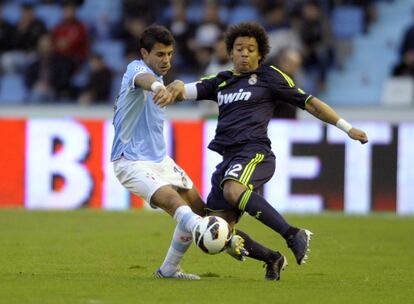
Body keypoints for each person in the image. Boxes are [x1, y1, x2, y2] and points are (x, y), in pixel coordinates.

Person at [163, 22, 368, 268]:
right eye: (239, 48)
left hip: (254, 152)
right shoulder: (221, 81)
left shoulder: (269, 77)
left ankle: (293, 234)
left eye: (251, 49)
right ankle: (272, 259)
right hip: (228, 159)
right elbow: (184, 91)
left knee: (232, 190)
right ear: (230, 53)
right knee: (215, 231)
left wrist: (347, 127)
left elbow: (310, 103)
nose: (244, 53)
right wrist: (175, 86)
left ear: (260, 54)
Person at [110, 25, 256, 281]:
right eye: (159, 55)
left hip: (161, 161)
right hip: (130, 161)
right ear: (144, 53)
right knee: (172, 202)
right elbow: (146, 81)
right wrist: (157, 89)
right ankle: (213, 236)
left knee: (199, 209)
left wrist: (162, 88)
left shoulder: (161, 78)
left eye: (169, 54)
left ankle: (168, 270)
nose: (166, 60)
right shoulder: (135, 69)